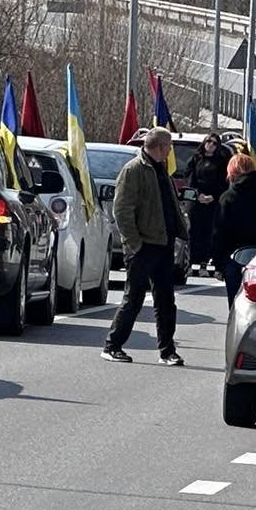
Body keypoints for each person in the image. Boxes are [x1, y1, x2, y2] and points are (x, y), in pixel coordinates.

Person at [102, 128, 184, 366]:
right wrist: (134, 243)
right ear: (160, 146)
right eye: (168, 146)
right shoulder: (134, 170)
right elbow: (122, 210)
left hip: (163, 244)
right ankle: (112, 345)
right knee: (134, 297)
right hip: (143, 246)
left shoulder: (161, 170)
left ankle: (167, 351)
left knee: (166, 300)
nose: (170, 151)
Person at [214, 152, 256, 304]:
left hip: (235, 258)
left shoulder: (228, 197)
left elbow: (220, 232)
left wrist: (218, 264)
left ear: (231, 173)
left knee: (236, 305)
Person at [182, 133, 230, 275]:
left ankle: (206, 264)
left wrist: (213, 197)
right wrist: (198, 195)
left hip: (213, 202)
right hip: (196, 201)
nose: (211, 144)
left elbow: (224, 182)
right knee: (193, 232)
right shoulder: (195, 159)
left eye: (214, 143)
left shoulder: (222, 161)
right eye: (208, 141)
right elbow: (189, 178)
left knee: (210, 232)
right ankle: (192, 263)